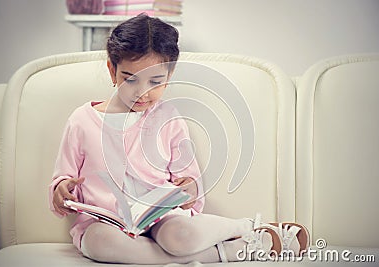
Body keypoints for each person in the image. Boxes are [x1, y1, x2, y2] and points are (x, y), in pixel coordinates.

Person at [49, 14, 309, 264]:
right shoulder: (81, 120)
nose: (142, 92)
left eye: (155, 81)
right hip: (104, 226)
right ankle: (238, 249)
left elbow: (189, 182)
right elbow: (62, 179)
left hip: (161, 219)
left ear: (169, 77)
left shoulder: (168, 118)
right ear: (112, 70)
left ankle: (246, 226)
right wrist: (62, 191)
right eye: (130, 79)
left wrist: (189, 190)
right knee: (99, 244)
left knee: (181, 237)